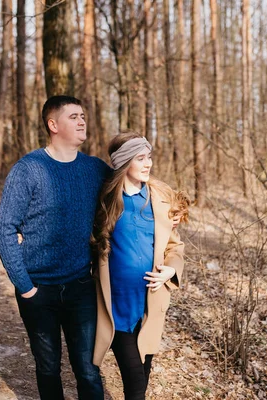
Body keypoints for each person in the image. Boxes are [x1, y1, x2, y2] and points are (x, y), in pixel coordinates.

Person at [0, 95, 109, 400]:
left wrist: (168, 209)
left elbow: (130, 191)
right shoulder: (29, 169)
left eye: (83, 115)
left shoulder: (95, 169)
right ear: (53, 124)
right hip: (38, 289)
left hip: (80, 285)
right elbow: (4, 228)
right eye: (73, 117)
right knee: (47, 368)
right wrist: (25, 286)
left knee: (88, 368)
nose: (82, 121)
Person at [91, 132, 187, 400]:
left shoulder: (160, 199)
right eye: (140, 158)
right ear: (124, 163)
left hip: (150, 306)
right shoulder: (104, 200)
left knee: (141, 379)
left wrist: (171, 270)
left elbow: (174, 247)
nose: (148, 164)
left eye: (149, 157)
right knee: (135, 385)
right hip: (117, 307)